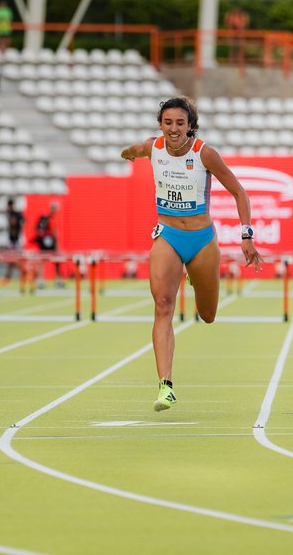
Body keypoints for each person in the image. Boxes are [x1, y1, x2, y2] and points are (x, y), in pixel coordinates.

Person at [121, 96, 263, 412]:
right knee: (163, 305)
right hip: (168, 236)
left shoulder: (204, 154)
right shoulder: (153, 148)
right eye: (168, 122)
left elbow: (239, 192)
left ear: (190, 126)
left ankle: (194, 276)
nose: (173, 129)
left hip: (201, 241)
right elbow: (135, 150)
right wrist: (127, 153)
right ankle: (165, 386)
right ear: (161, 124)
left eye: (180, 123)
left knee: (208, 315)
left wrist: (246, 235)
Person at [4, 198, 24, 288]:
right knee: (10, 260)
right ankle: (8, 276)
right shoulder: (9, 214)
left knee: (15, 259)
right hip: (11, 241)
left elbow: (22, 223)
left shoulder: (17, 214)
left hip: (16, 241)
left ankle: (23, 272)